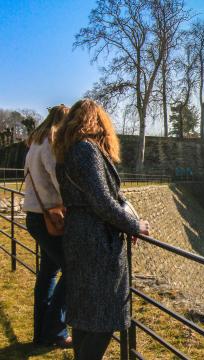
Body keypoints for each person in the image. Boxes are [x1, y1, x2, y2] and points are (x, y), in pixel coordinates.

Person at [53, 99, 150, 360]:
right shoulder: (86, 150)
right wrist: (135, 225)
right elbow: (103, 202)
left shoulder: (67, 151)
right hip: (96, 240)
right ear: (97, 122)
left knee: (85, 312)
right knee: (106, 314)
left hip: (78, 234)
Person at [24, 104, 72, 348]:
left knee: (48, 273)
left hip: (35, 214)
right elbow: (59, 179)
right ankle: (55, 330)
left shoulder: (35, 143)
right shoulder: (52, 142)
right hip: (49, 217)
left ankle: (41, 332)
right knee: (72, 269)